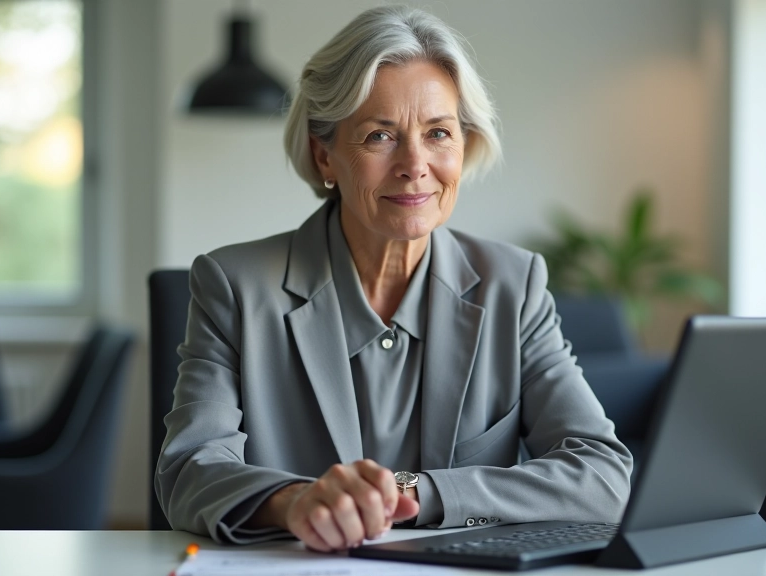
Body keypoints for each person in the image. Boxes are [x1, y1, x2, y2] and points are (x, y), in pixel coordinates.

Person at [155, 5, 632, 552]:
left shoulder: (514, 286)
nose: (414, 163)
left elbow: (602, 477)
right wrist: (295, 502)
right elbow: (188, 471)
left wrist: (417, 493)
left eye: (438, 133)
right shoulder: (234, 286)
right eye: (380, 136)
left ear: (463, 145)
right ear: (324, 155)